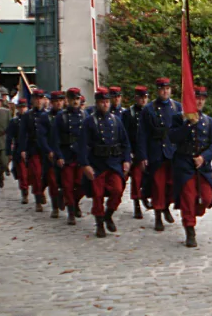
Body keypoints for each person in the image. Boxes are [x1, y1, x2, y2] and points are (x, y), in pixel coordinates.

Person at [169, 86, 212, 247]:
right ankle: (189, 228)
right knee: (188, 197)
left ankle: (193, 214)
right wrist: (188, 124)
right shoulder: (179, 118)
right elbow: (173, 137)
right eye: (196, 98)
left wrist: (204, 158)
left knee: (206, 198)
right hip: (184, 163)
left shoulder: (209, 121)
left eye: (202, 99)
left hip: (202, 166)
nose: (199, 101)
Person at [79, 87, 132, 238]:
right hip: (97, 164)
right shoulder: (89, 122)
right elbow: (82, 145)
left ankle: (109, 214)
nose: (105, 104)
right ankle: (100, 222)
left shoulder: (116, 120)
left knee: (117, 190)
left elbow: (125, 143)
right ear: (97, 103)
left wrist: (127, 160)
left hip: (114, 162)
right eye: (102, 102)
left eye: (107, 101)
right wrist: (85, 165)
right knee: (97, 195)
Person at [138, 77, 182, 231]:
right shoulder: (148, 109)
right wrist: (143, 156)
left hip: (173, 152)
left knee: (172, 185)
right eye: (162, 89)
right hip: (156, 151)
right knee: (158, 186)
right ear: (157, 90)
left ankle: (166, 207)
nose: (165, 91)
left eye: (168, 89)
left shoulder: (177, 107)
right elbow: (142, 134)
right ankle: (157, 215)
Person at [55, 88, 87, 225]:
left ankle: (75, 202)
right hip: (66, 154)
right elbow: (55, 138)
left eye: (77, 99)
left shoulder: (85, 115)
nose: (75, 101)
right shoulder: (61, 116)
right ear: (67, 100)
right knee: (68, 185)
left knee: (81, 184)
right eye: (73, 99)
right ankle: (71, 211)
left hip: (80, 155)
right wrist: (59, 156)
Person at [38, 90, 66, 218]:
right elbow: (42, 136)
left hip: (66, 152)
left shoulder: (67, 115)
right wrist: (48, 150)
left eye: (60, 101)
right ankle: (55, 206)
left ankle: (68, 200)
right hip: (50, 154)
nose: (58, 104)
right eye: (55, 101)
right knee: (53, 181)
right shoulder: (45, 117)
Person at [19, 89, 47, 212]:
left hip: (46, 148)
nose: (38, 101)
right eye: (36, 98)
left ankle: (41, 190)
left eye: (40, 98)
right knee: (36, 174)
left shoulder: (47, 114)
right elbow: (23, 133)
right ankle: (37, 198)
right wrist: (23, 149)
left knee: (47, 176)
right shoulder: (27, 116)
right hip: (33, 147)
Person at [126, 85, 149, 219]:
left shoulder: (151, 111)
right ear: (136, 98)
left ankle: (146, 197)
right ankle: (136, 204)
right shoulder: (129, 113)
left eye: (145, 97)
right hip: (135, 151)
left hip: (149, 151)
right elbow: (126, 134)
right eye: (141, 98)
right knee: (136, 179)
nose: (143, 100)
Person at [6, 99, 30, 203]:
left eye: (24, 107)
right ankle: (24, 193)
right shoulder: (14, 121)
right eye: (20, 107)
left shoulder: (32, 119)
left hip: (31, 149)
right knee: (22, 174)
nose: (22, 109)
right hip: (19, 150)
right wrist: (9, 152)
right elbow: (9, 137)